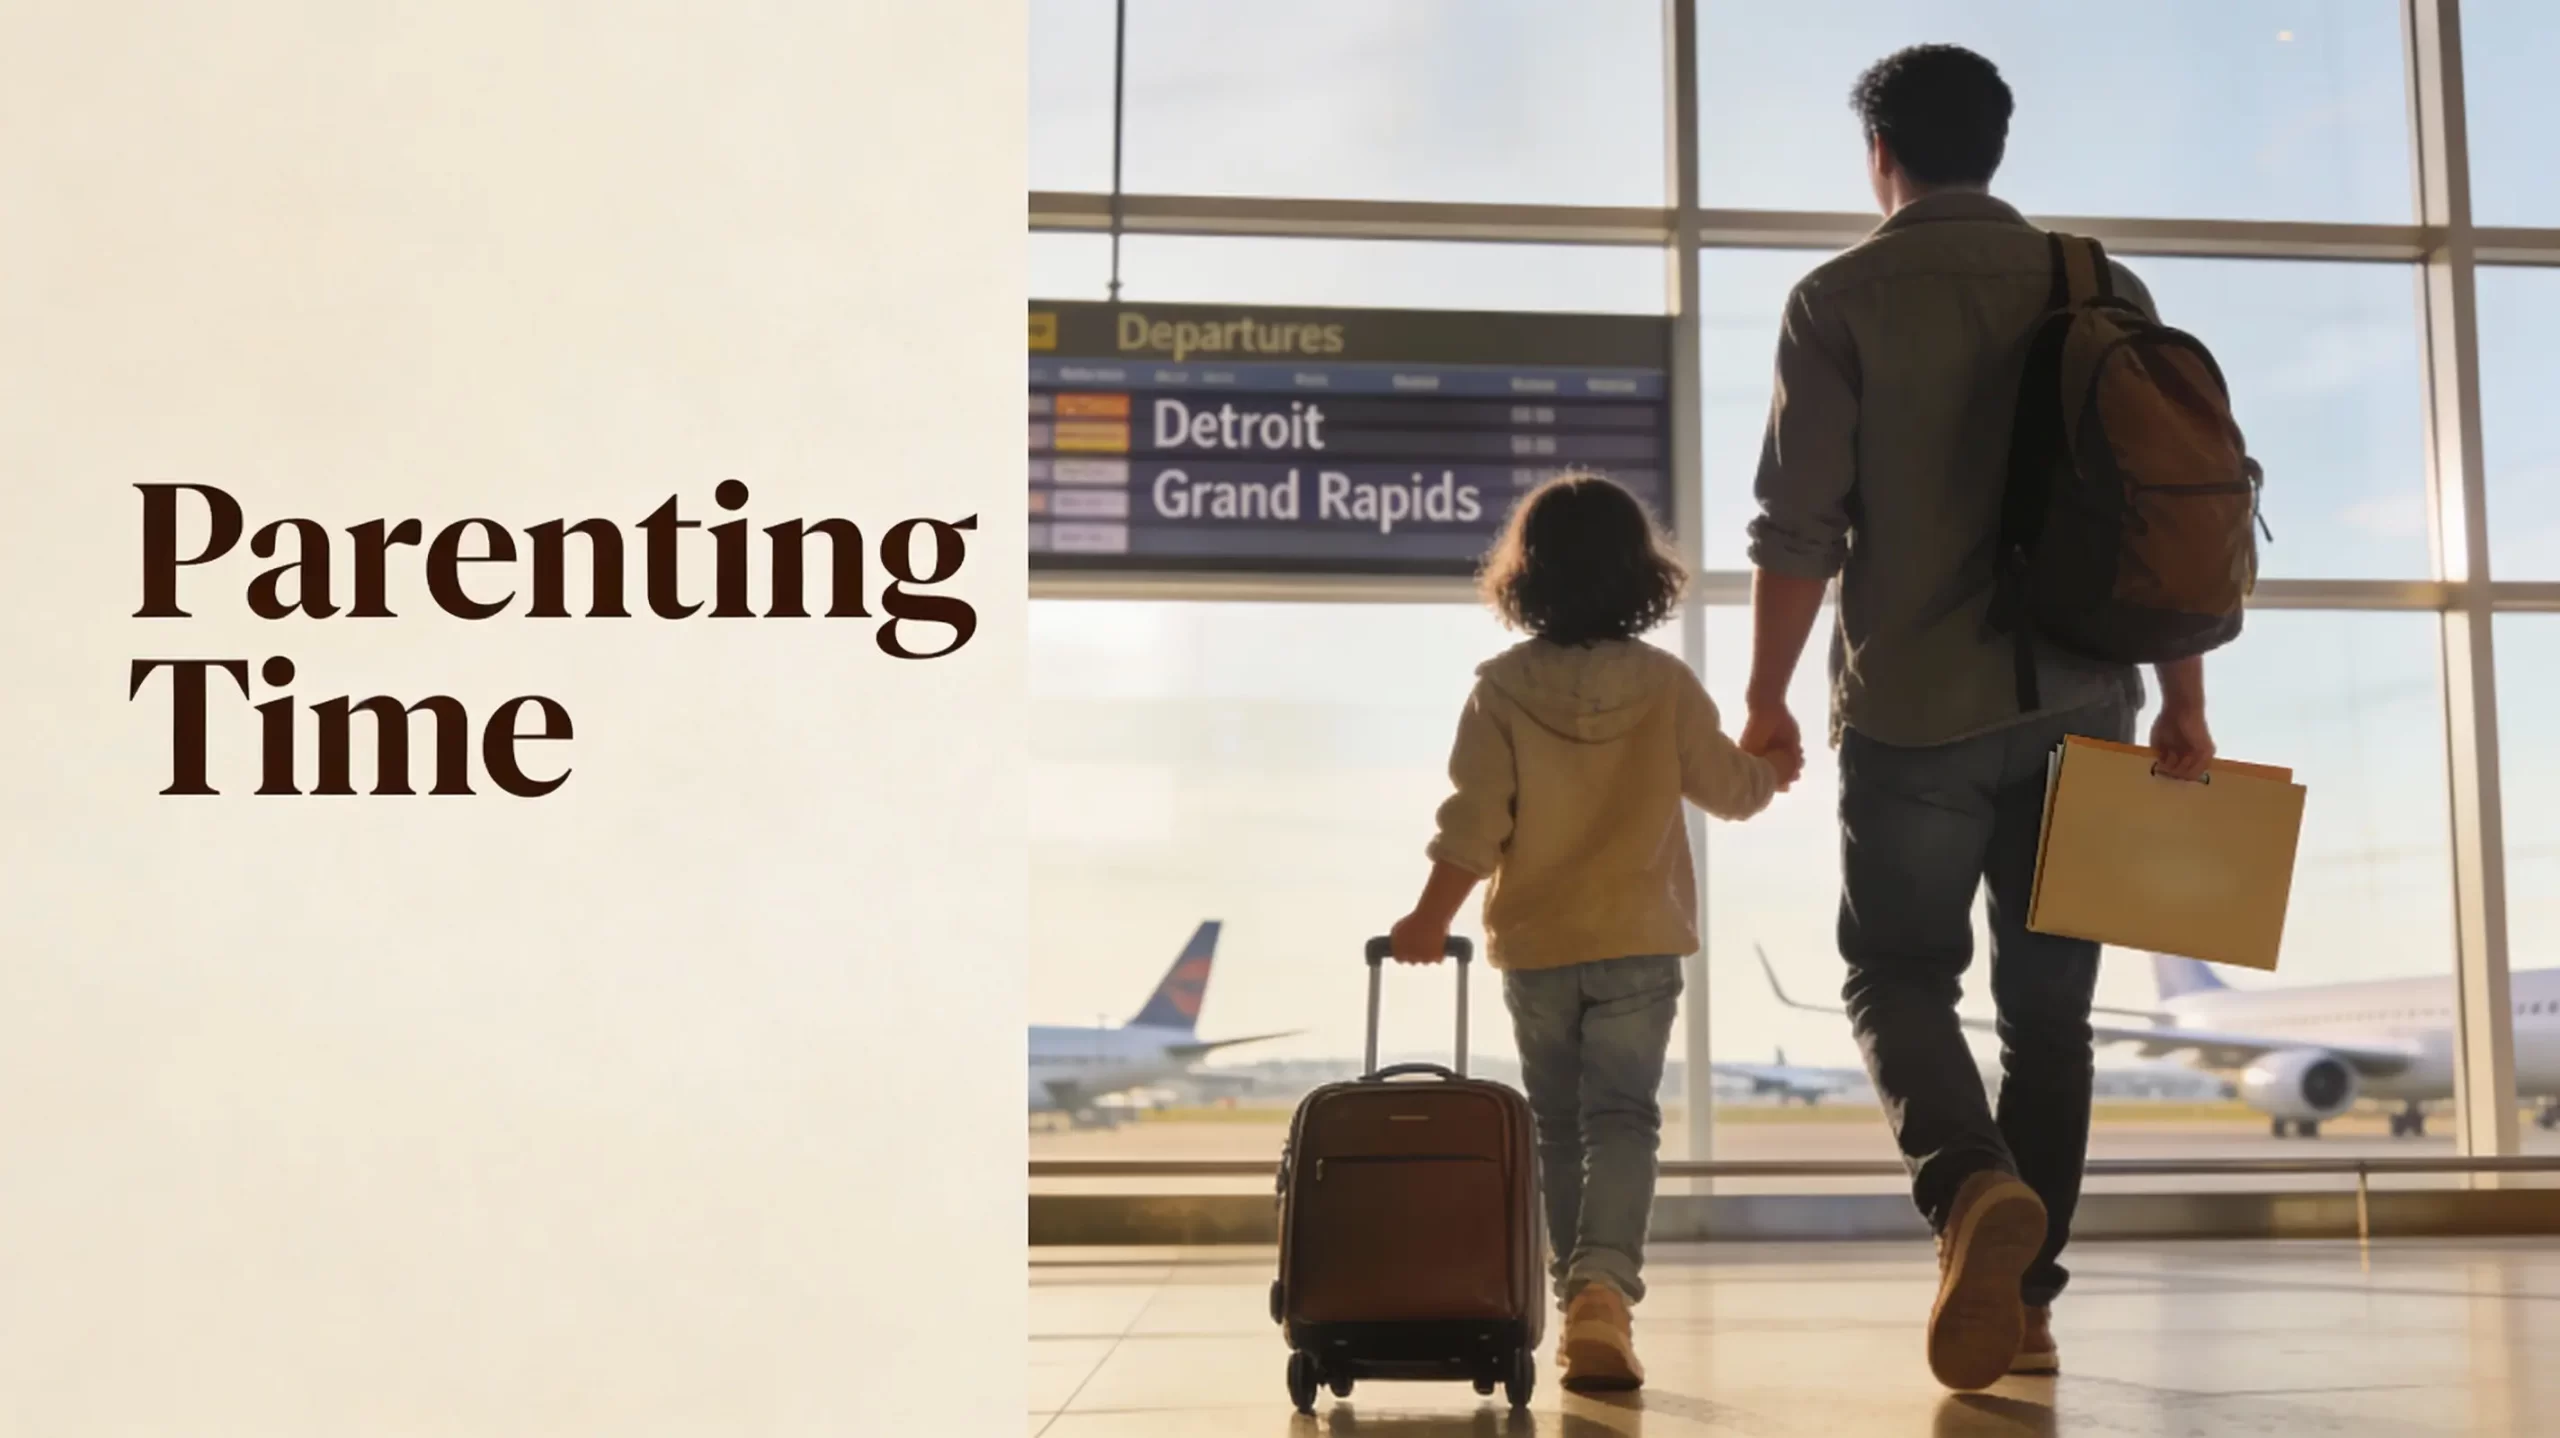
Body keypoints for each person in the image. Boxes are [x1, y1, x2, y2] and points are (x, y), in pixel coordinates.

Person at [1738, 45, 2216, 1392]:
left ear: (1878, 155)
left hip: (1913, 712)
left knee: (1894, 974)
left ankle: (1967, 1188)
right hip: (2088, 701)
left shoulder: (1835, 298)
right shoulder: (2099, 283)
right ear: (1996, 147)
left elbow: (1799, 527)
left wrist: (1767, 697)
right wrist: (2184, 699)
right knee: (2050, 1016)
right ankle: (2033, 1302)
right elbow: (2168, 500)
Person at [1389, 471, 1798, 1392]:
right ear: (1640, 575)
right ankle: (1600, 1294)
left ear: (1524, 575)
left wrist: (1428, 918)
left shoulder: (1500, 691)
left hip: (1538, 947)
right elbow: (1732, 793)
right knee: (1623, 1120)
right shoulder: (1666, 685)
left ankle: (1577, 1298)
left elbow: (1473, 825)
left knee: (1560, 1126)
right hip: (1639, 941)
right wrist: (1773, 766)